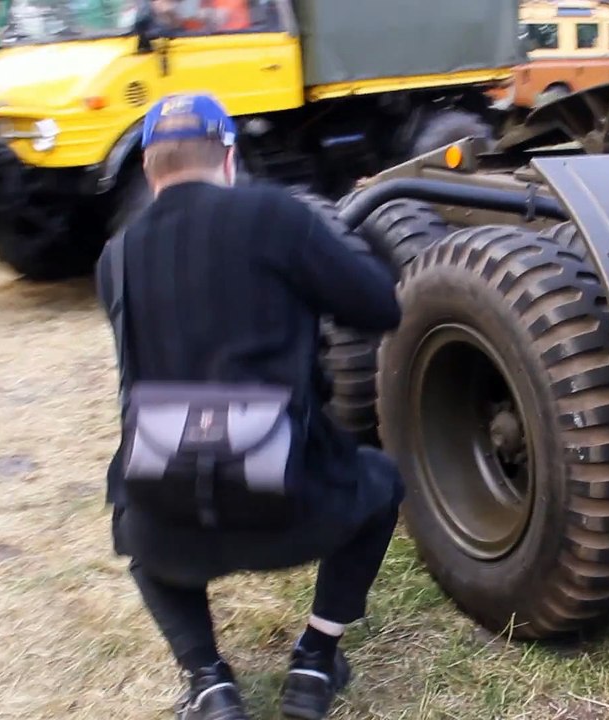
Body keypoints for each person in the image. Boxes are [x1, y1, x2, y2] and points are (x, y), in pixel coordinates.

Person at [95, 92, 406, 720]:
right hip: (291, 506)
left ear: (151, 169)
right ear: (229, 158)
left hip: (171, 520)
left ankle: (208, 681)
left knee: (130, 523)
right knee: (382, 482)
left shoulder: (115, 258)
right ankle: (317, 659)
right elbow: (380, 307)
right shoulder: (274, 215)